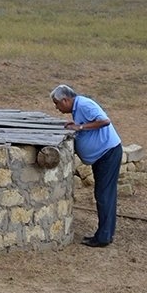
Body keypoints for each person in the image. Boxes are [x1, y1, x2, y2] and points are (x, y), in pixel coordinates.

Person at [50, 84, 123, 247]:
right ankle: (106, 234)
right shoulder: (77, 108)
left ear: (65, 99)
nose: (56, 107)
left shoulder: (84, 104)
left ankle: (103, 237)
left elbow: (105, 121)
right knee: (105, 195)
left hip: (108, 153)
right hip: (102, 156)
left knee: (104, 195)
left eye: (57, 103)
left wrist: (80, 127)